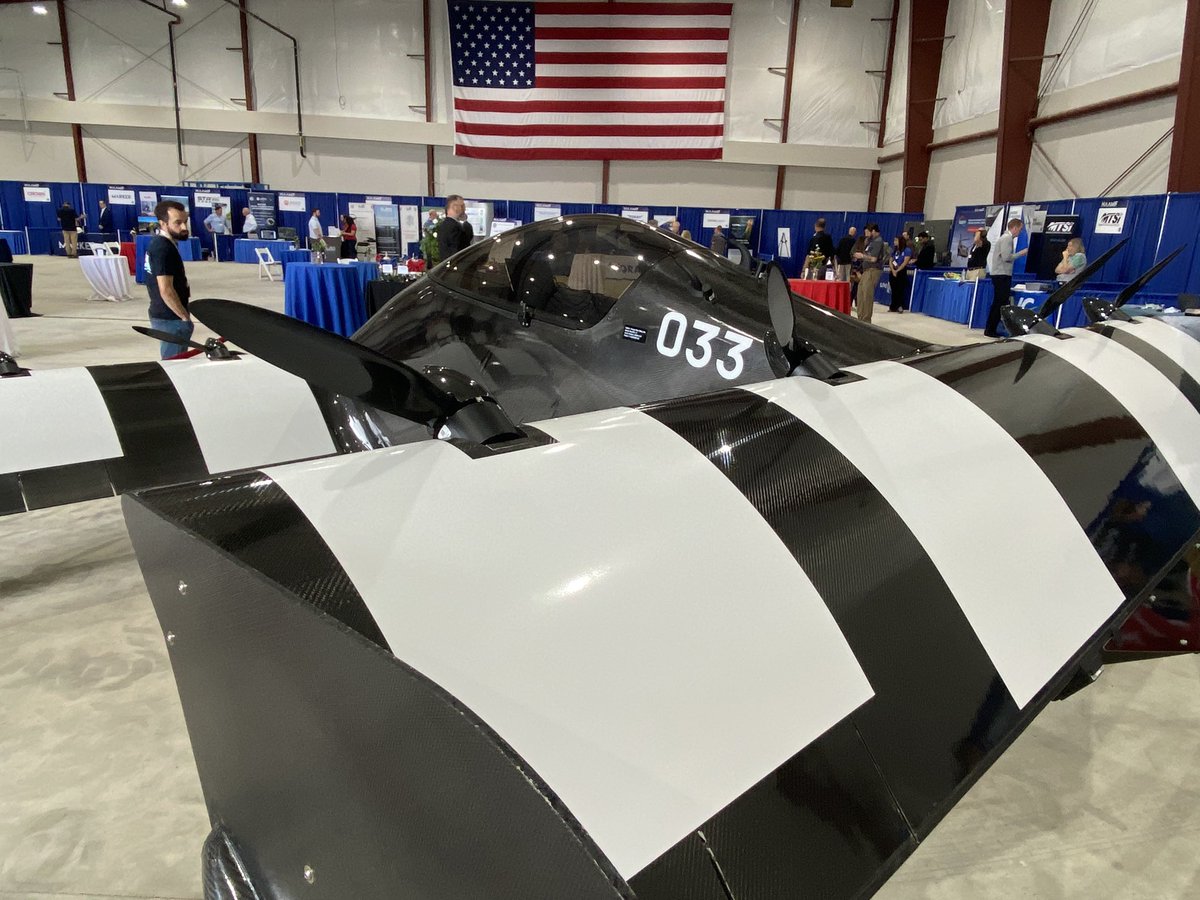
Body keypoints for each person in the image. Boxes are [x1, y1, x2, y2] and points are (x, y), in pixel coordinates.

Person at [145, 200, 193, 360]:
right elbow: (165, 289)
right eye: (178, 223)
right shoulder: (162, 248)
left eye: (185, 221)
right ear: (163, 223)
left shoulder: (165, 245)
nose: (184, 227)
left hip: (167, 317)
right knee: (175, 365)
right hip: (170, 319)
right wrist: (184, 317)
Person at [984, 218, 1028, 338]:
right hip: (1001, 275)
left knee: (1000, 302)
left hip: (1001, 274)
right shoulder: (1007, 238)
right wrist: (1022, 253)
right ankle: (990, 329)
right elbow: (1006, 257)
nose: (1020, 232)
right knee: (999, 303)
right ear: (1014, 228)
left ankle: (991, 328)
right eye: (1020, 229)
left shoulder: (1006, 238)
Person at [854, 223, 885, 323]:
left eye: (867, 231)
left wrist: (862, 256)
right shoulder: (870, 241)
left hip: (873, 270)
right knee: (860, 294)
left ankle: (866, 320)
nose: (866, 234)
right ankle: (860, 318)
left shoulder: (878, 241)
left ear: (873, 231)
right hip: (866, 270)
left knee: (867, 295)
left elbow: (874, 259)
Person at [436, 194, 474, 261]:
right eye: (462, 206)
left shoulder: (443, 226)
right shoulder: (454, 227)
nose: (464, 209)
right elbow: (459, 250)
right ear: (455, 207)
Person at [888, 234, 912, 312]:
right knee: (894, 289)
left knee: (900, 289)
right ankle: (893, 306)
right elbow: (891, 260)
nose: (894, 242)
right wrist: (893, 270)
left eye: (896, 240)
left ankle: (900, 305)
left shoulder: (907, 250)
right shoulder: (894, 250)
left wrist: (897, 271)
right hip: (893, 271)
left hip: (901, 271)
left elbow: (905, 262)